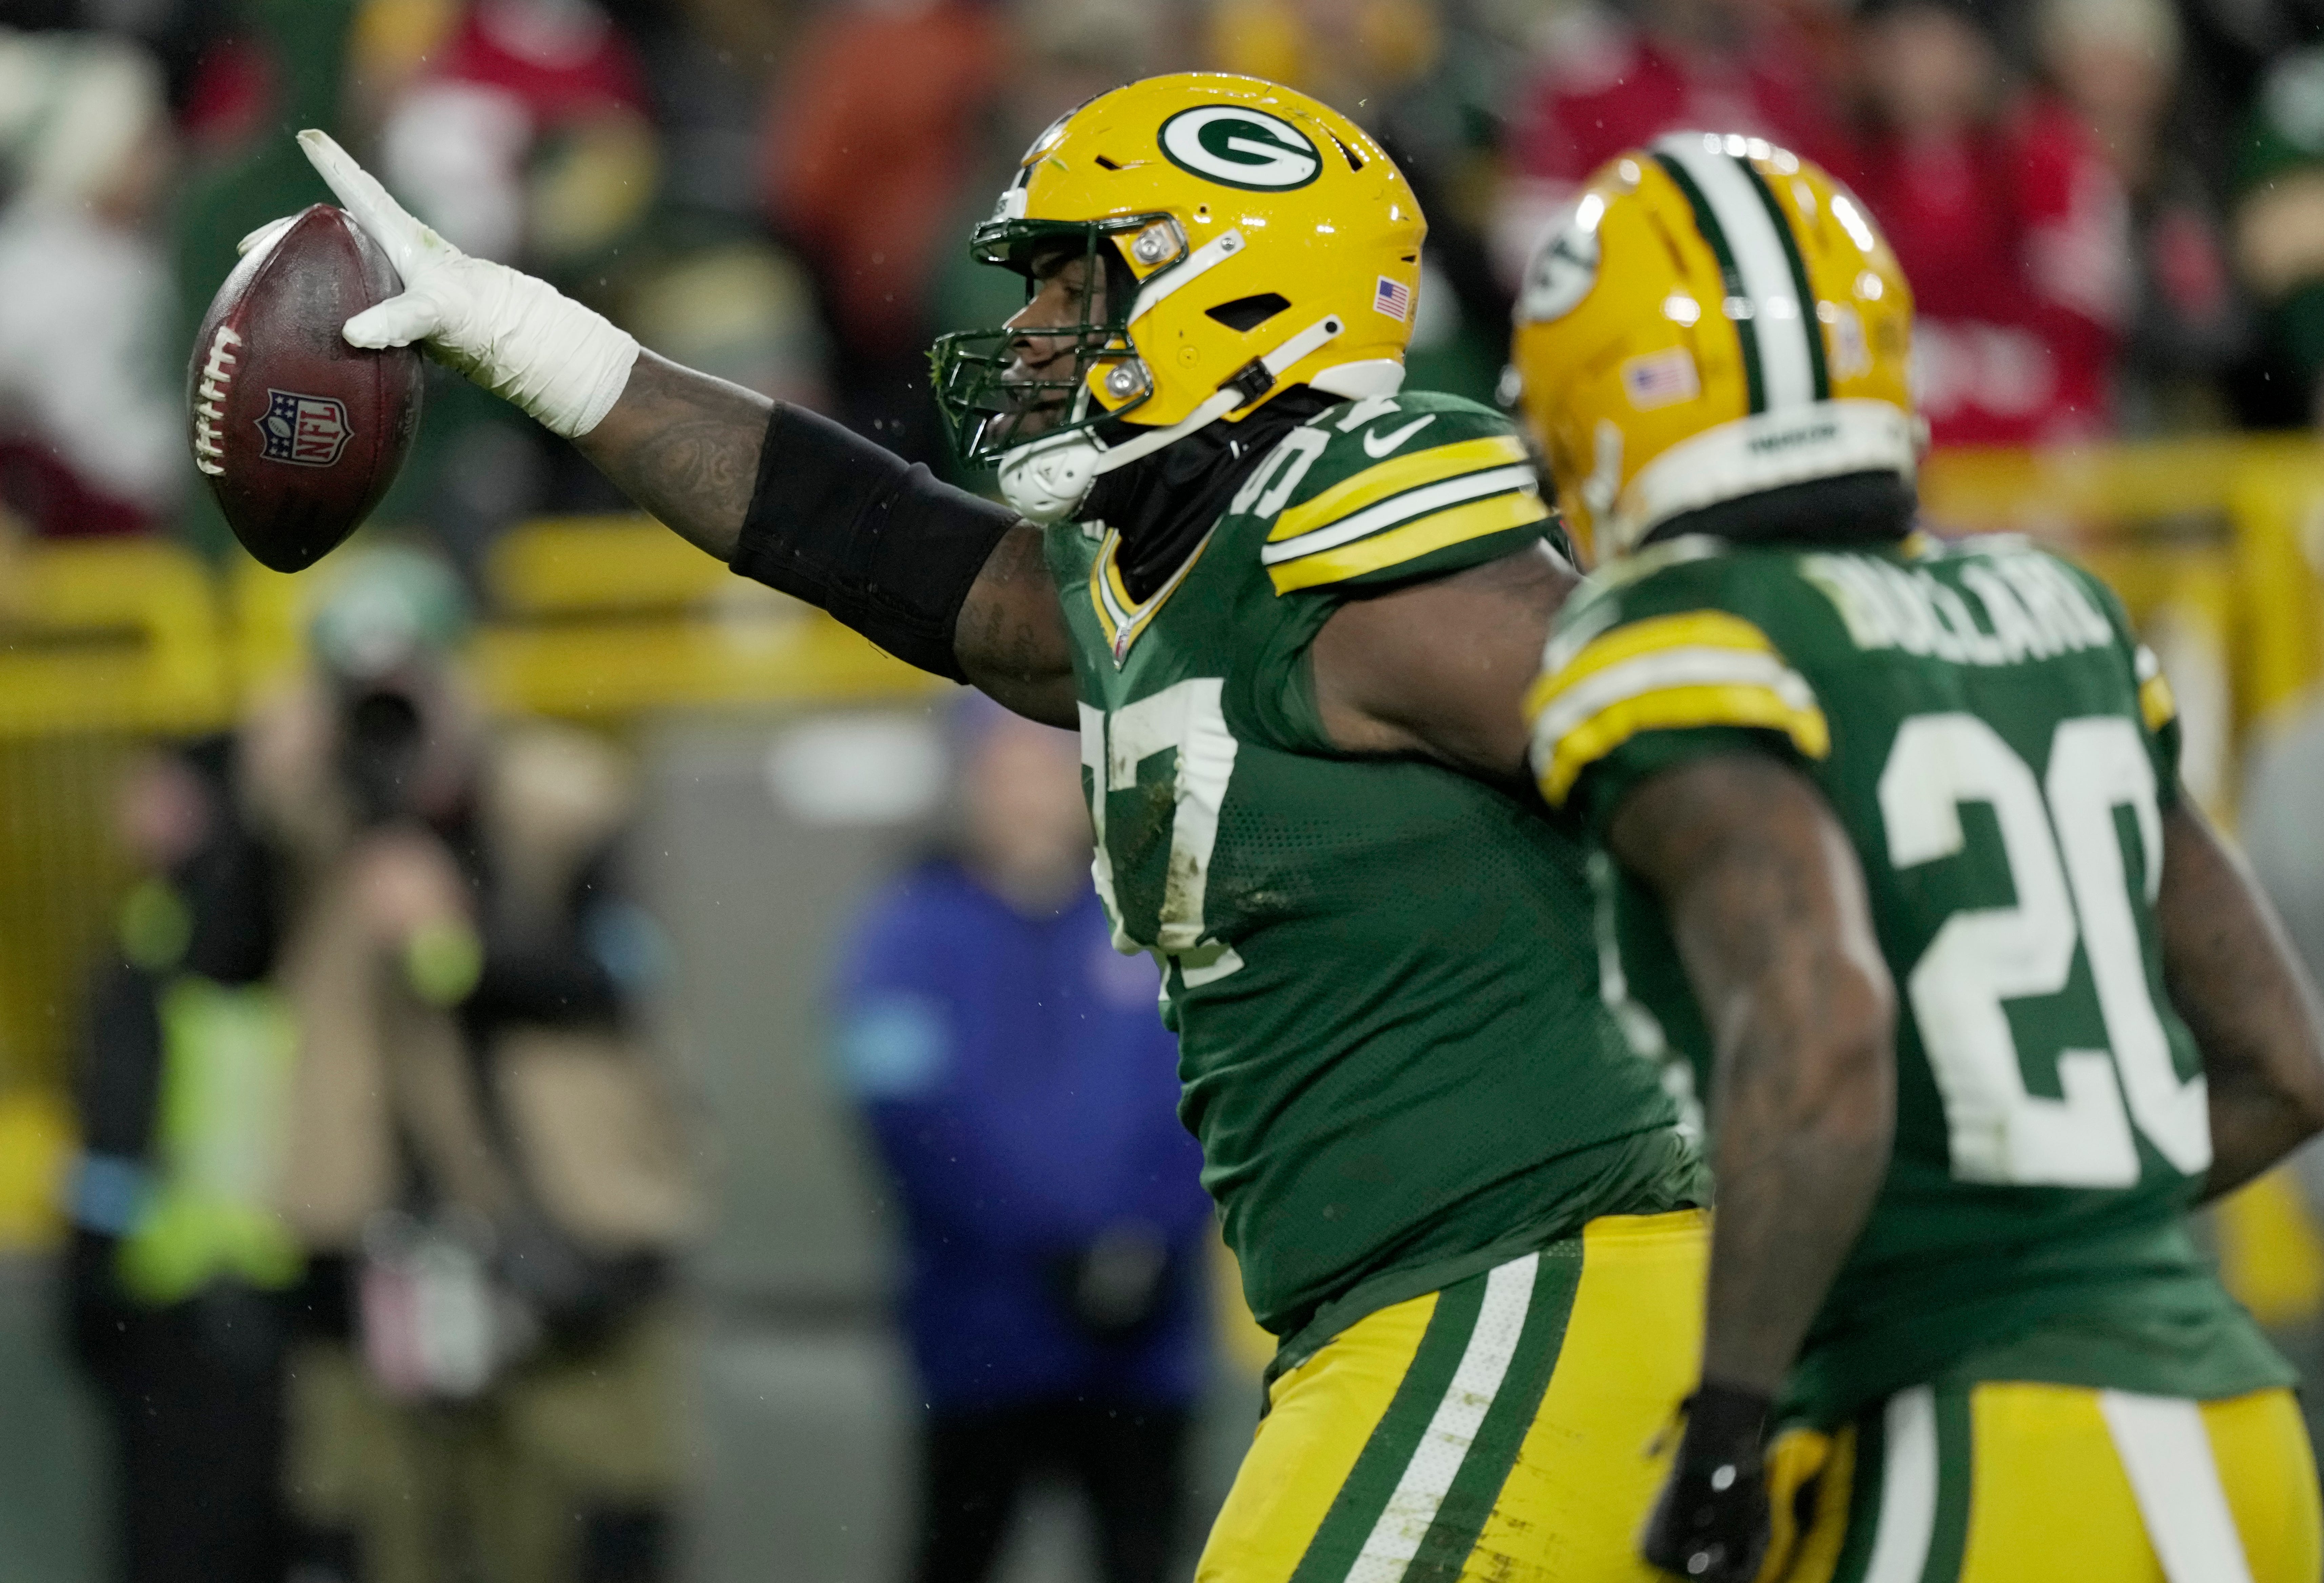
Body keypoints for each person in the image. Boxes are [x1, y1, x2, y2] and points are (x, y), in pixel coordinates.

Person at [277, 73, 1709, 1577]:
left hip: (1538, 1278)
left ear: (1235, 298)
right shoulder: (1183, 580)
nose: (1027, 329)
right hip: (1414, 1305)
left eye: (1074, 285)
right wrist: (534, 341)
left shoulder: (1370, 561)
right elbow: (857, 536)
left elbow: (1720, 761)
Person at [1510, 133, 2324, 1580]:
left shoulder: (1675, 636)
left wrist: (1729, 1422)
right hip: (2239, 1420)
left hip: (1980, 1437)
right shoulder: (2052, 602)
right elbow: (2284, 1067)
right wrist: (2074, 1229)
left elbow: (1820, 1031)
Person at [242, 548, 695, 1583]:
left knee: (588, 1533)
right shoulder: (307, 823)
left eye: (410, 689)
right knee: (381, 1537)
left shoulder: (563, 801)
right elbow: (220, 954)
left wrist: (458, 943)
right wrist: (264, 790)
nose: (393, 724)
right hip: (372, 1261)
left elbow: (620, 980)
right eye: (362, 697)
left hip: (565, 1253)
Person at [833, 697, 1213, 1583]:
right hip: (982, 1339)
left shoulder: (1156, 924)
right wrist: (1043, 1247)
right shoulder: (907, 935)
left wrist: (1148, 1236)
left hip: (1144, 1344)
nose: (1030, 796)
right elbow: (906, 1118)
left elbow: (1211, 1092)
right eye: (1007, 773)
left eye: (1050, 772)